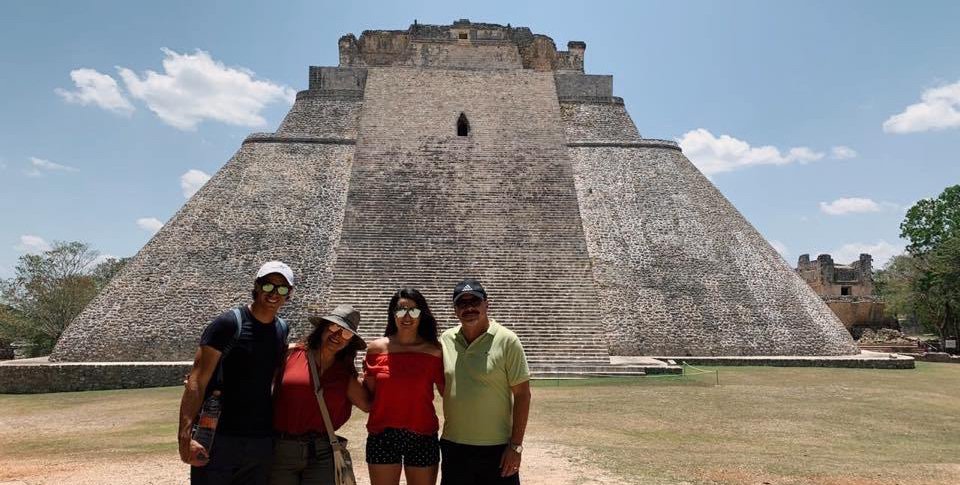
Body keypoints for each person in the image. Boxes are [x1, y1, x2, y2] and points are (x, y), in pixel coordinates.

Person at [178, 261, 295, 485]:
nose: (273, 293)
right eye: (268, 286)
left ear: (288, 294)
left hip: (260, 439)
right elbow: (197, 381)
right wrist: (185, 436)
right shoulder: (228, 324)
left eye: (281, 289)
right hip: (218, 437)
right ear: (257, 286)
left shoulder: (282, 329)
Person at [439, 279, 531, 485]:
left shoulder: (508, 340)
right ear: (455, 310)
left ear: (486, 304)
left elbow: (523, 395)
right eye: (462, 303)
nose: (469, 308)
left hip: (497, 448)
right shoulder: (446, 339)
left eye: (475, 301)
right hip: (454, 446)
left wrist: (516, 446)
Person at [271, 304, 370, 485]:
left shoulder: (345, 374)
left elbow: (368, 405)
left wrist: (373, 371)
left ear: (350, 342)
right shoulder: (291, 354)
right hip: (282, 448)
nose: (337, 335)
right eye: (334, 327)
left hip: (322, 452)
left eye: (346, 333)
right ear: (323, 328)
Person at [363, 288, 445, 485]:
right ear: (393, 314)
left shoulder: (435, 351)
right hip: (382, 434)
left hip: (422, 434)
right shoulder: (375, 349)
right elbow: (370, 396)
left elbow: (448, 393)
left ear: (421, 314)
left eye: (413, 311)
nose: (407, 316)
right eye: (401, 310)